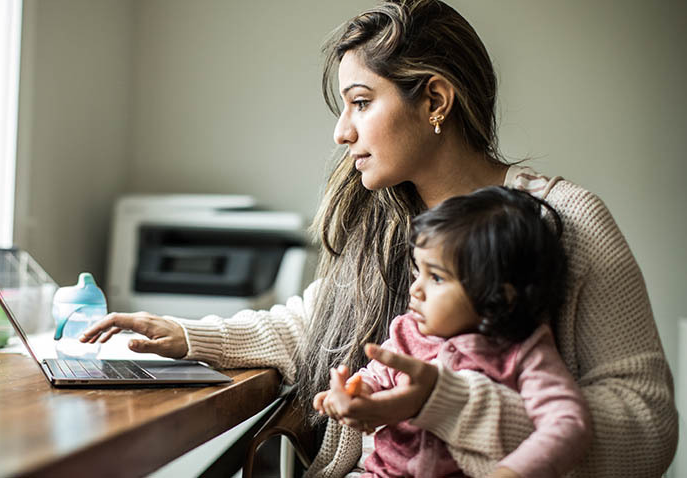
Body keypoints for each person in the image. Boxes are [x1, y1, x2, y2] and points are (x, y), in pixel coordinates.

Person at [81, 1, 677, 476]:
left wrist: (445, 405)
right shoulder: (382, 219)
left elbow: (648, 428)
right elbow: (316, 328)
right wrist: (185, 336)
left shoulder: (564, 222)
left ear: (436, 101)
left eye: (361, 103)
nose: (342, 132)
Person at [313, 186, 593, 477]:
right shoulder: (408, 333)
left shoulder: (524, 352)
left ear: (500, 296)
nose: (415, 289)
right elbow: (375, 375)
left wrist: (514, 471)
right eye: (416, 272)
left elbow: (567, 423)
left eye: (435, 276)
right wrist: (355, 393)